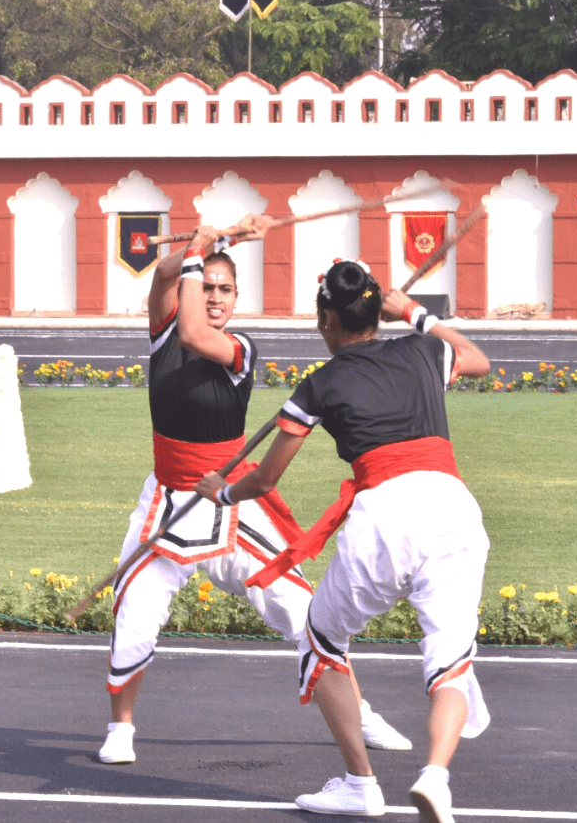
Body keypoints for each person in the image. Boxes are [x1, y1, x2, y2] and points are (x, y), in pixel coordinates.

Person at [99, 224, 410, 766]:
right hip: (169, 501)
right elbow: (168, 275)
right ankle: (121, 726)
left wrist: (203, 251)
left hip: (232, 500)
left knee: (305, 610)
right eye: (209, 287)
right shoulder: (162, 329)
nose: (215, 297)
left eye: (226, 290)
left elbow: (198, 335)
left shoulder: (240, 348)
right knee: (135, 611)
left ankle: (360, 713)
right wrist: (203, 245)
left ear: (236, 299)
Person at [195, 258, 491, 822]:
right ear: (377, 310)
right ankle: (436, 775)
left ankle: (361, 785)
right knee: (452, 659)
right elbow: (477, 361)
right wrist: (416, 314)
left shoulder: (320, 384)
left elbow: (265, 479)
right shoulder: (423, 350)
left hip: (384, 515)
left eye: (318, 317)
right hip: (453, 507)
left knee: (322, 637)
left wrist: (223, 494)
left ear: (329, 319)